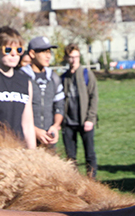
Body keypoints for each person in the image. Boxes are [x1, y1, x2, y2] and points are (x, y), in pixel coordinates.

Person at [61, 43, 99, 178]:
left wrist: (90, 118)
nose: (74, 60)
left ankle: (91, 181)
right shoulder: (63, 77)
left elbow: (94, 97)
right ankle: (74, 181)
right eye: (71, 57)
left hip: (85, 121)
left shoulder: (87, 74)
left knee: (90, 154)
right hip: (68, 122)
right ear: (66, 58)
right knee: (70, 157)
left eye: (76, 57)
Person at [20, 36, 64, 149]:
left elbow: (59, 106)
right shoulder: (20, 78)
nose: (48, 56)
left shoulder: (54, 78)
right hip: (25, 139)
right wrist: (35, 131)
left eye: (49, 52)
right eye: (44, 52)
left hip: (49, 140)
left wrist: (55, 126)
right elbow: (16, 111)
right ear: (32, 54)